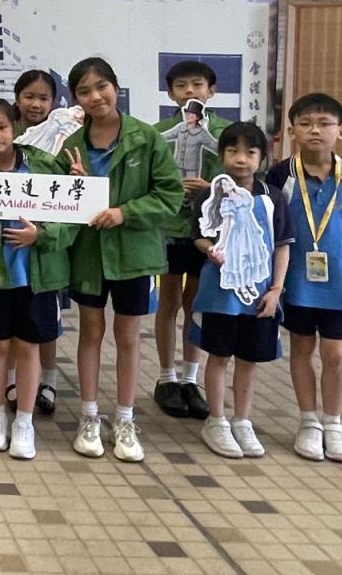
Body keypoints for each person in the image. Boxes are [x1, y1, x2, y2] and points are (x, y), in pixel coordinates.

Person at [59, 57, 182, 462]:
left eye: (101, 87)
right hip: (89, 254)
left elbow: (169, 195)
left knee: (128, 337)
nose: (95, 97)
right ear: (75, 98)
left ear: (116, 86)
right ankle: (89, 417)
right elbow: (59, 199)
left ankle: (125, 420)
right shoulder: (71, 144)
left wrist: (125, 213)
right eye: (84, 91)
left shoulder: (146, 138)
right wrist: (75, 188)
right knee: (90, 332)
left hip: (133, 254)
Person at [266, 93, 342, 463]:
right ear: (291, 131)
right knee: (301, 349)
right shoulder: (280, 176)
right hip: (296, 282)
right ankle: (308, 422)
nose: (315, 130)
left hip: (340, 285)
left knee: (336, 353)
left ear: (340, 131)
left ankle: (333, 422)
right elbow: (270, 232)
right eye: (305, 124)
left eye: (325, 123)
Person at [0, 98, 72, 459]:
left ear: (15, 129)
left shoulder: (43, 165)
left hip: (37, 276)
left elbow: (71, 218)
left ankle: (24, 421)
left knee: (29, 346)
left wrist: (42, 234)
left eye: (2, 127)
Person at [189, 122, 293, 458]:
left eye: (250, 152)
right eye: (232, 151)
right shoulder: (211, 194)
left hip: (260, 294)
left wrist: (276, 290)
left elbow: (282, 246)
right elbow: (198, 236)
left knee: (249, 358)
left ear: (262, 158)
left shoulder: (273, 197)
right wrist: (209, 249)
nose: (241, 159)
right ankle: (216, 420)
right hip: (220, 293)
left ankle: (242, 420)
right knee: (218, 354)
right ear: (221, 155)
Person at [153, 61, 229, 421]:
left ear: (211, 91)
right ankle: (166, 377)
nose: (189, 91)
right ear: (171, 94)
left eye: (197, 85)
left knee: (195, 303)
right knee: (167, 301)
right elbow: (150, 178)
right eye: (181, 86)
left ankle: (190, 379)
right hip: (168, 227)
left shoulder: (225, 133)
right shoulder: (158, 132)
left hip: (207, 230)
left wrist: (210, 187)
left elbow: (242, 177)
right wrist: (172, 188)